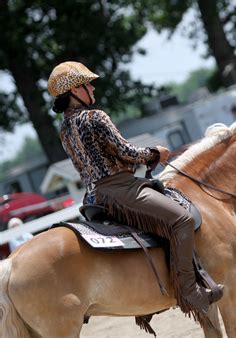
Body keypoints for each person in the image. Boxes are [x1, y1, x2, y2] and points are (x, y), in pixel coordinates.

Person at [47, 61, 222, 317]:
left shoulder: (64, 130)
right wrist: (155, 153)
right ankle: (189, 291)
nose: (93, 88)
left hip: (94, 198)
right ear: (75, 90)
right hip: (120, 190)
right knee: (182, 220)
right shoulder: (95, 117)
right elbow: (125, 151)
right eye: (88, 84)